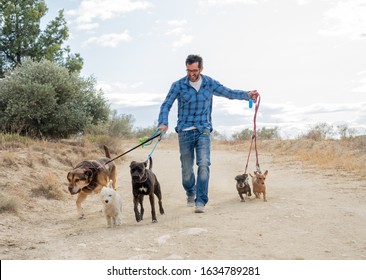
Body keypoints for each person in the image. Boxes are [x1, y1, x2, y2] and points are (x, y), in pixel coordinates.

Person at [157, 54, 259, 213]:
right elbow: (166, 105)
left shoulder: (209, 83)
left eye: (195, 70)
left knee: (204, 164)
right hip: (184, 131)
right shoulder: (178, 85)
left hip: (203, 130)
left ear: (201, 69)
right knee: (186, 170)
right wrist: (163, 123)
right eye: (189, 70)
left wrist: (247, 95)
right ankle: (190, 191)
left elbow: (228, 92)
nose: (191, 74)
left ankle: (201, 200)